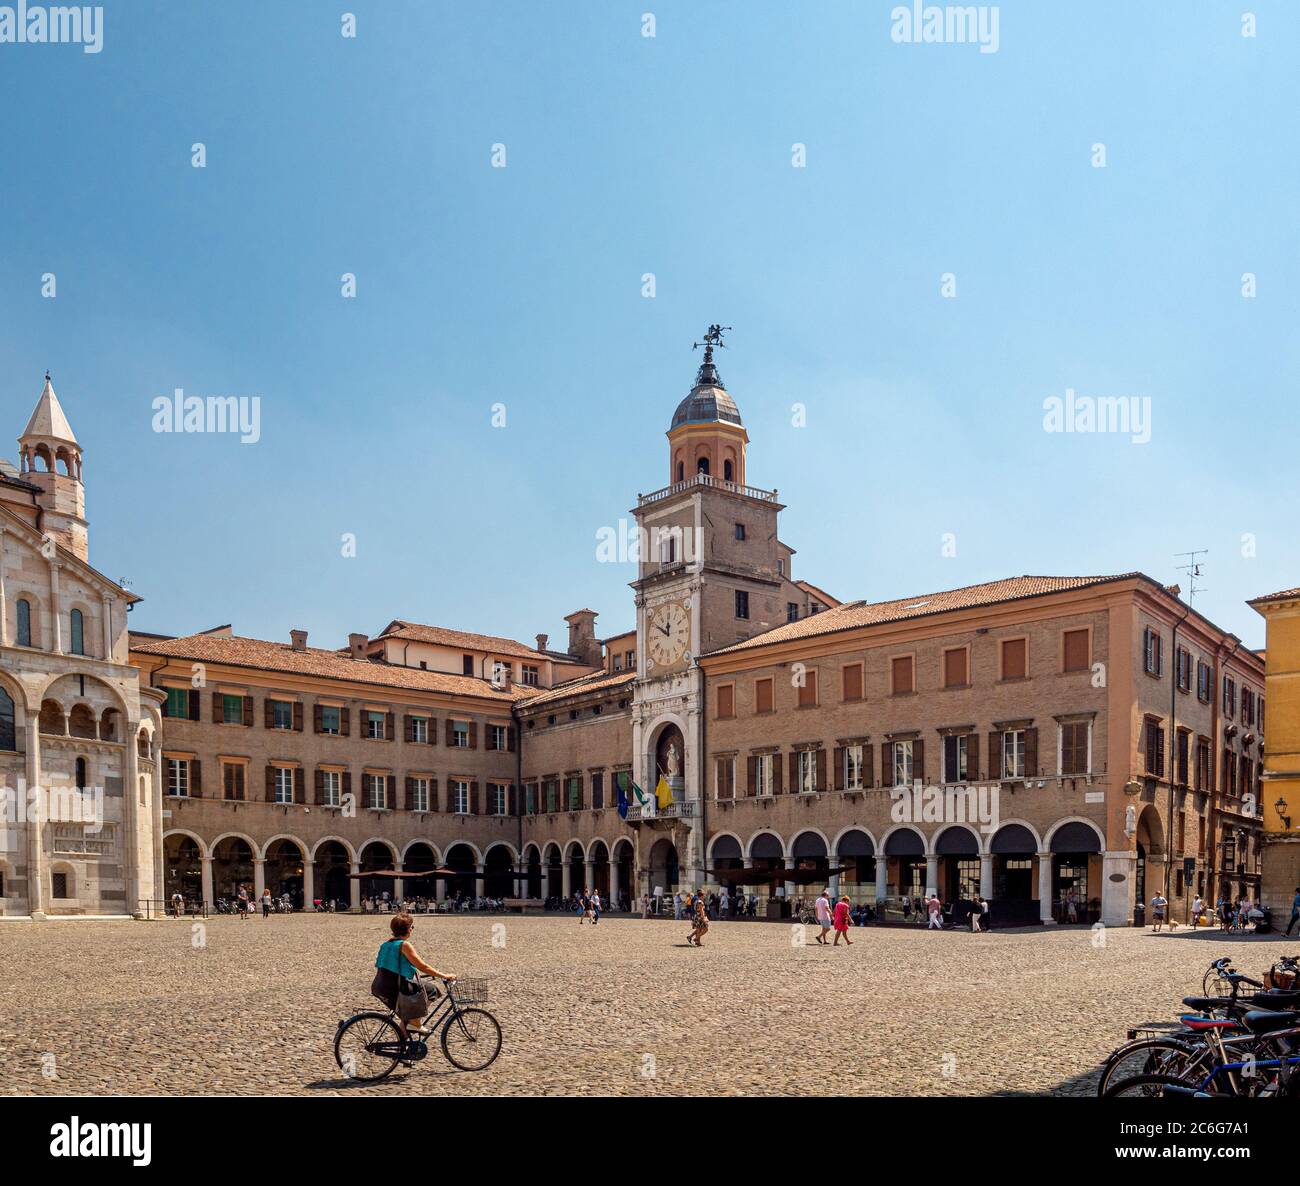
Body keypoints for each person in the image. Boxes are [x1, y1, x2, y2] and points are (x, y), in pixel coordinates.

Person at [370, 913, 456, 1040]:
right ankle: (415, 1023)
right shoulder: (404, 945)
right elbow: (423, 966)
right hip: (395, 986)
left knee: (406, 1018)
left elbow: (390, 966)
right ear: (408, 929)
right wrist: (444, 975)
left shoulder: (386, 944)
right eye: (412, 927)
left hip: (379, 985)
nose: (412, 929)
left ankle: (403, 1046)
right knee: (432, 990)